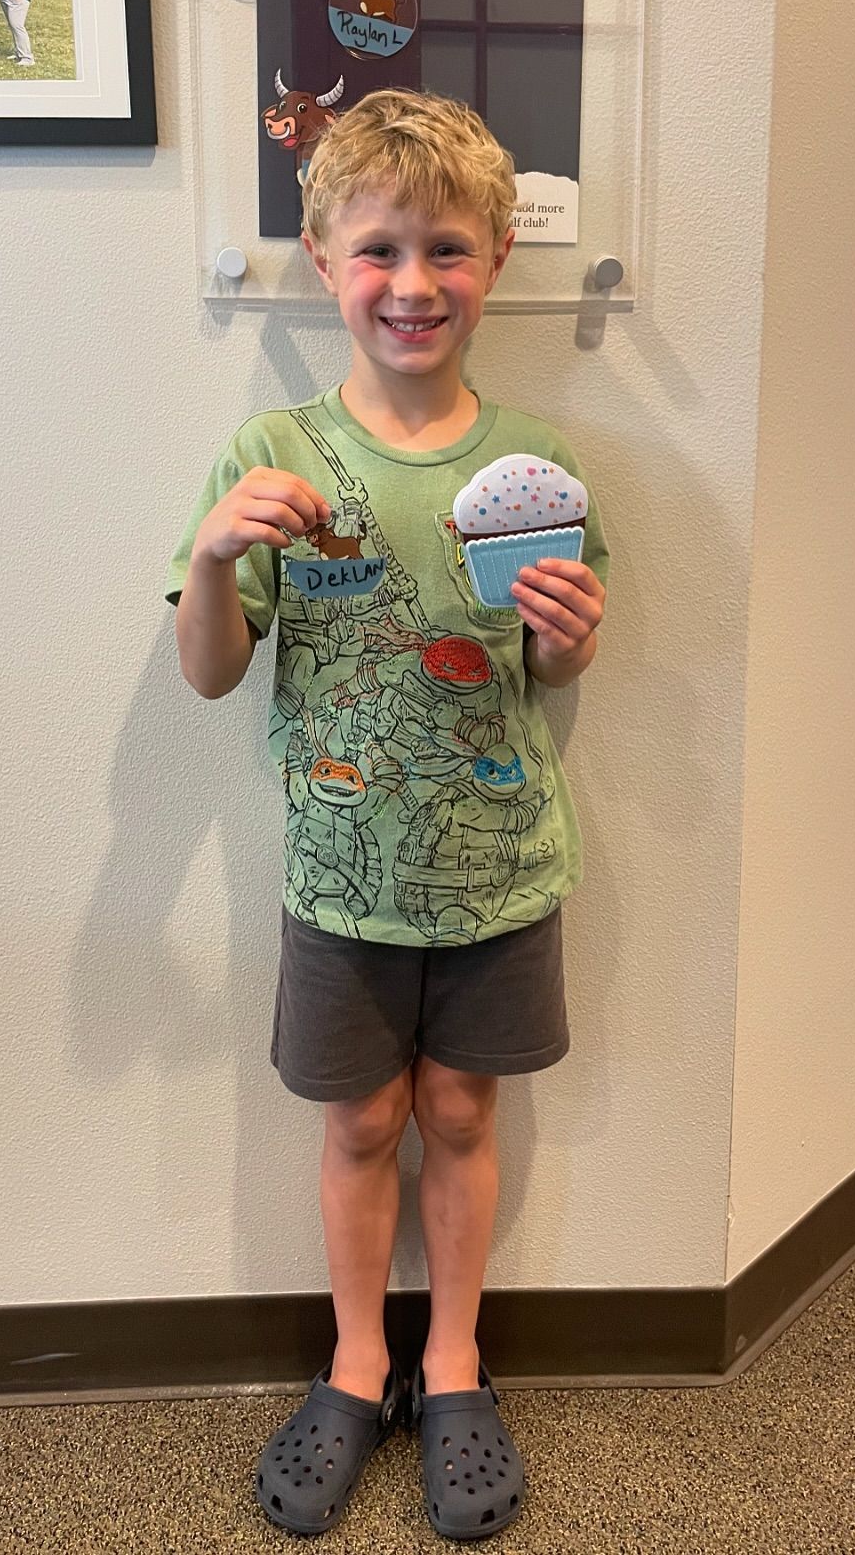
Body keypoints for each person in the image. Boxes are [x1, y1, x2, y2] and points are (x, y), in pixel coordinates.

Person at [165, 91, 609, 1543]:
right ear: (317, 259)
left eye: (447, 250)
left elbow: (549, 672)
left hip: (497, 869)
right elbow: (215, 674)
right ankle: (359, 1365)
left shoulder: (534, 465)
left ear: (498, 258)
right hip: (341, 878)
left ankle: (456, 1361)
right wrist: (221, 562)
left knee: (464, 1111)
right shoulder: (274, 464)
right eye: (377, 251)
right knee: (359, 1119)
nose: (411, 284)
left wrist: (572, 635)